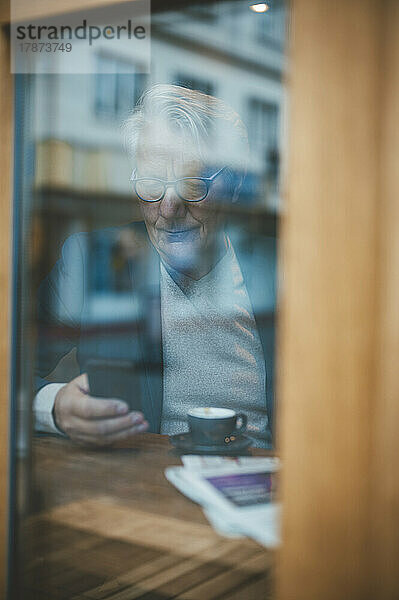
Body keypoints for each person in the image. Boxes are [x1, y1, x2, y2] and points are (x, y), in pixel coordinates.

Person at [34, 85, 276, 447]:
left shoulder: (282, 271)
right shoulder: (95, 262)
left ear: (234, 185)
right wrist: (52, 407)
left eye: (193, 185)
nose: (169, 208)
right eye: (151, 184)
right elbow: (10, 367)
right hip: (143, 491)